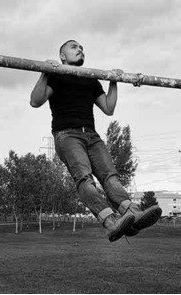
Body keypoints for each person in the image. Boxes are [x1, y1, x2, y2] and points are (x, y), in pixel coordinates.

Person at [30, 40, 162, 242]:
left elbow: (108, 108)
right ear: (62, 56)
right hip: (67, 135)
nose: (80, 50)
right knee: (84, 177)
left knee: (111, 176)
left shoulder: (90, 79)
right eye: (74, 47)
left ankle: (132, 214)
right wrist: (45, 71)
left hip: (91, 135)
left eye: (82, 48)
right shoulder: (57, 76)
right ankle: (110, 222)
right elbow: (35, 101)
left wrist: (113, 81)